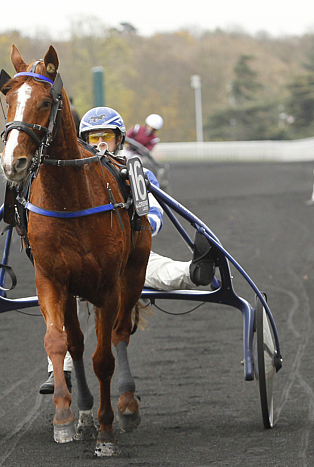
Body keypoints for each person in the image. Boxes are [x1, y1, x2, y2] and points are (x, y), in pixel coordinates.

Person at [39, 106, 216, 394]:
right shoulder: (74, 182)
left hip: (126, 255)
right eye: (93, 138)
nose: (100, 145)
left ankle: (195, 272)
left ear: (119, 139)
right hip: (78, 260)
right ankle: (59, 370)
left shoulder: (137, 173)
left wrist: (135, 233)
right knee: (57, 300)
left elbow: (156, 215)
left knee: (157, 270)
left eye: (106, 137)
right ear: (82, 140)